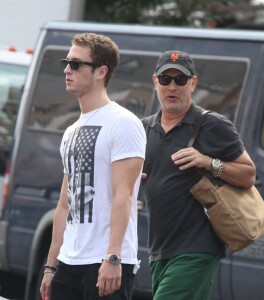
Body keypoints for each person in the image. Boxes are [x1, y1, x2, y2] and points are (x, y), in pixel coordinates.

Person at [141, 50, 256, 300]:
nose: (172, 86)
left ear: (193, 83)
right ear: (155, 82)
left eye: (180, 80)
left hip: (197, 249)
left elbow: (248, 175)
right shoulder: (143, 128)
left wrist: (208, 162)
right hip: (158, 250)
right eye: (165, 79)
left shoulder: (212, 124)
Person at [40, 33, 146, 300]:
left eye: (76, 64)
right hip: (69, 260)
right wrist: (51, 266)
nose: (67, 69)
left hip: (105, 260)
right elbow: (65, 203)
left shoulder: (123, 122)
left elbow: (124, 196)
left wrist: (113, 257)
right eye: (66, 62)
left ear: (101, 72)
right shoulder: (71, 131)